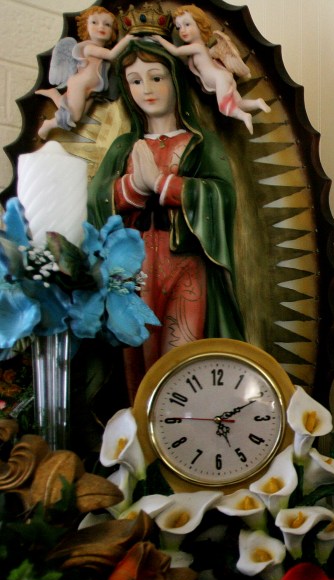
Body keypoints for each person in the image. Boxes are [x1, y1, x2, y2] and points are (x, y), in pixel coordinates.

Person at [88, 39, 245, 399]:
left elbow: (222, 196)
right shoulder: (123, 148)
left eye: (157, 77)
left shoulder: (199, 144)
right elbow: (96, 200)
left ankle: (185, 434)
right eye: (136, 80)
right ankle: (138, 444)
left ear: (176, 80)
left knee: (181, 358)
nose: (148, 89)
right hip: (131, 272)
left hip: (186, 267)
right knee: (136, 363)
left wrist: (163, 184)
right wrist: (132, 188)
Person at [152, 5, 270, 133]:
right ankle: (257, 103)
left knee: (224, 108)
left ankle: (244, 116)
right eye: (178, 27)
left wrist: (158, 38)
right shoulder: (206, 50)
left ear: (200, 25)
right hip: (223, 77)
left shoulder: (197, 47)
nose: (182, 30)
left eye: (187, 24)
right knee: (238, 103)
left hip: (220, 79)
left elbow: (175, 51)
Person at [36, 7, 134, 139]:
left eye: (107, 24)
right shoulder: (89, 48)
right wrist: (128, 38)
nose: (101, 27)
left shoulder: (99, 49)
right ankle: (48, 124)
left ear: (113, 31)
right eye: (94, 22)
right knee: (74, 116)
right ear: (85, 26)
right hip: (80, 84)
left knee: (79, 116)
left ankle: (54, 96)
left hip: (92, 89)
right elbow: (111, 55)